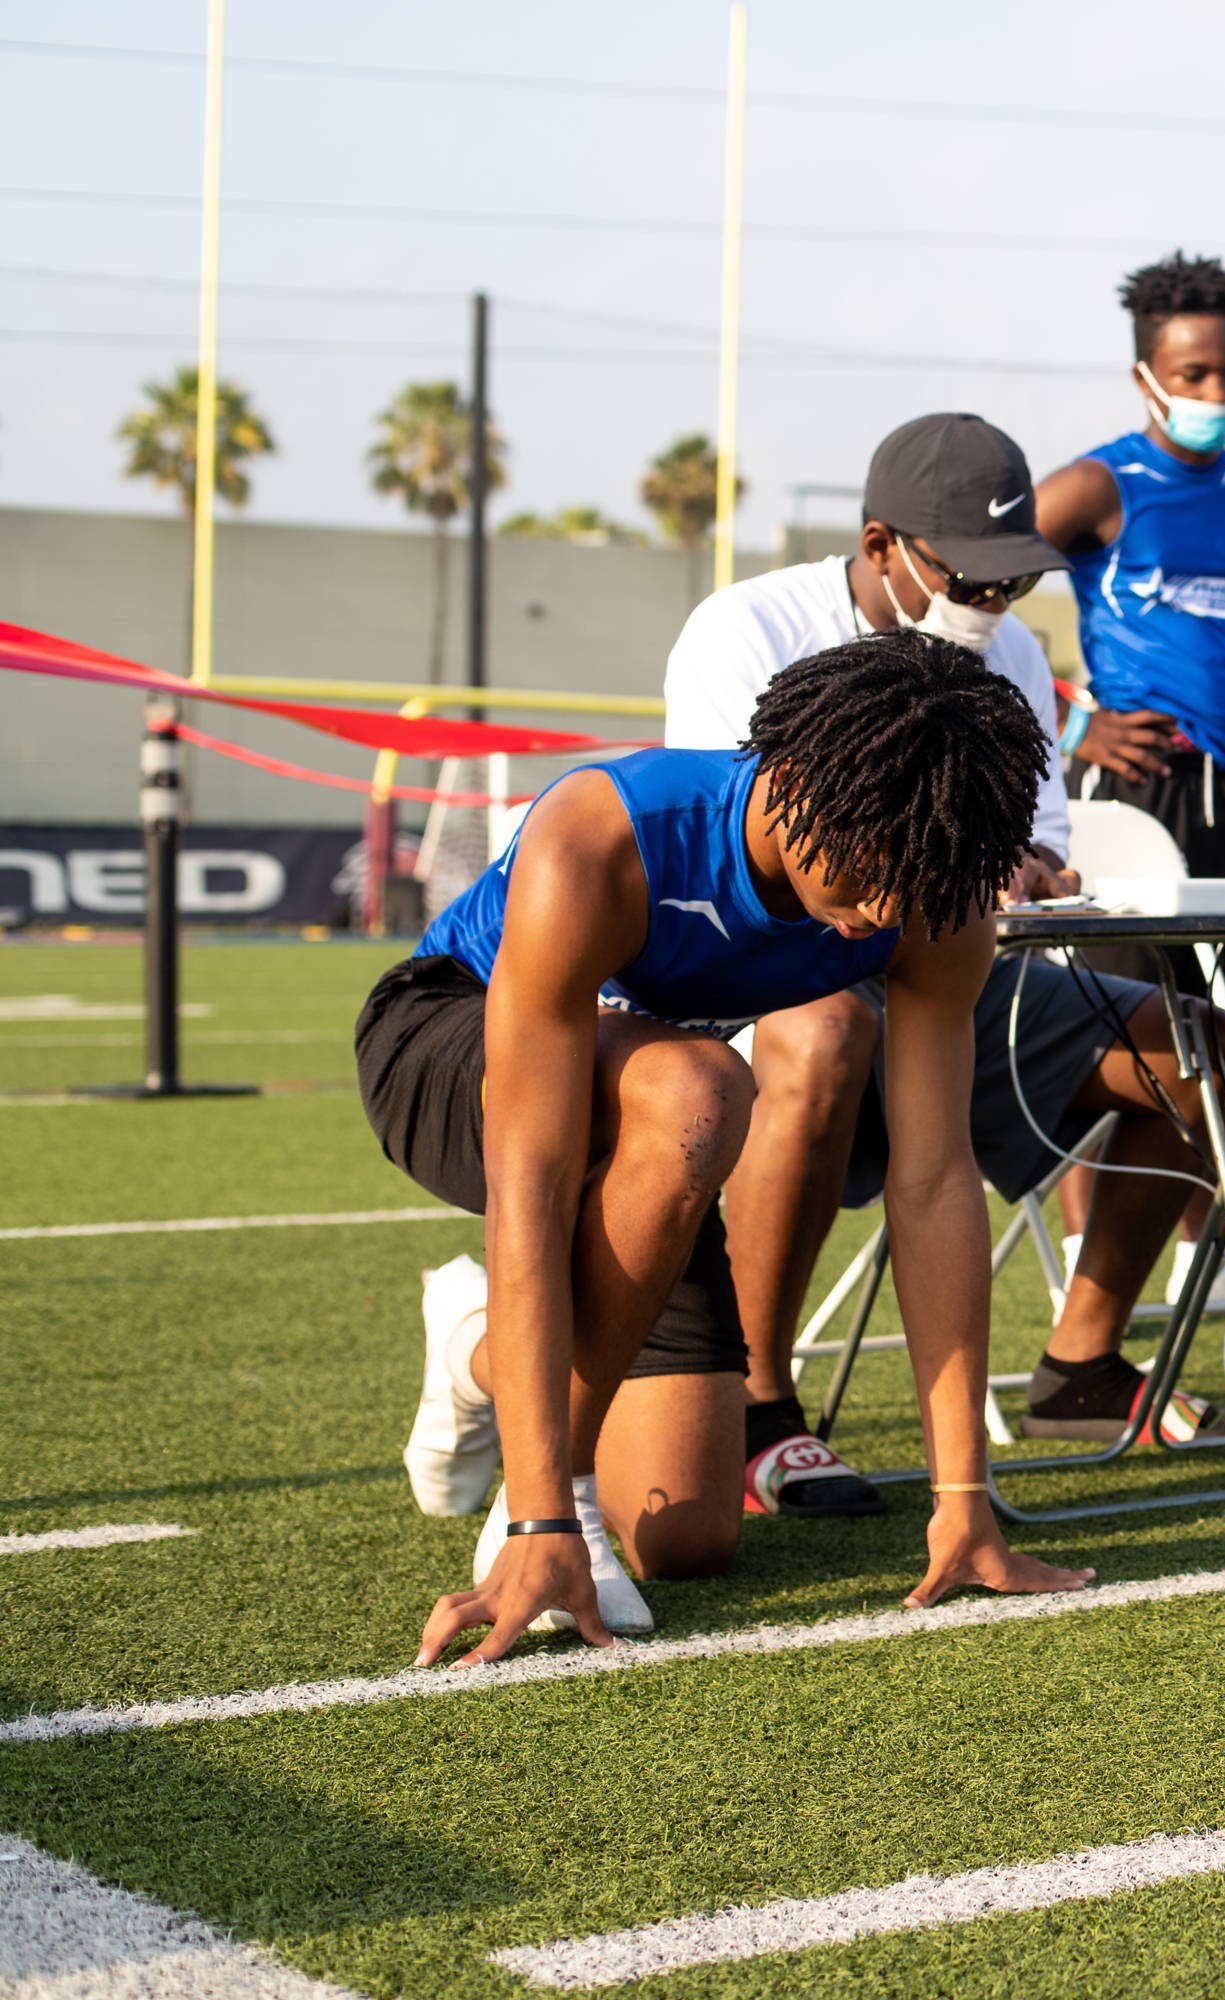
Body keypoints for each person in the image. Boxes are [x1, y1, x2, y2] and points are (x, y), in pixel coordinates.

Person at [367, 633, 1093, 1669]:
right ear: (794, 784)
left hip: (651, 1109)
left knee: (689, 1534)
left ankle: (471, 1352)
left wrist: (963, 1498)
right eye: (872, 871)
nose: (886, 913)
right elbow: (530, 1180)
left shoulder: (930, 888)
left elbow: (933, 1183)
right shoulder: (603, 833)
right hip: (449, 1038)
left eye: (917, 881)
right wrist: (541, 1516)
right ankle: (548, 1493)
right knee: (704, 1088)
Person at [657, 412, 1225, 1468]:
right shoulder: (746, 628)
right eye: (970, 576)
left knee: (1200, 1049)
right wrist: (961, 859)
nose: (994, 602)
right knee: (825, 1027)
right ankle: (758, 1397)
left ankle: (1081, 1368)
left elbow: (1039, 846)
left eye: (1014, 580)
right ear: (880, 546)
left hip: (957, 976)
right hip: (783, 983)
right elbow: (755, 859)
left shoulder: (1009, 649)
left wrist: (1029, 867)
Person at [1039, 252, 1225, 897]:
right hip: (1136, 785)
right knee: (1129, 998)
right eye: (1192, 376)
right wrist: (1068, 722)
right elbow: (964, 593)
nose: (1217, 394)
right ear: (1146, 378)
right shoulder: (1094, 486)